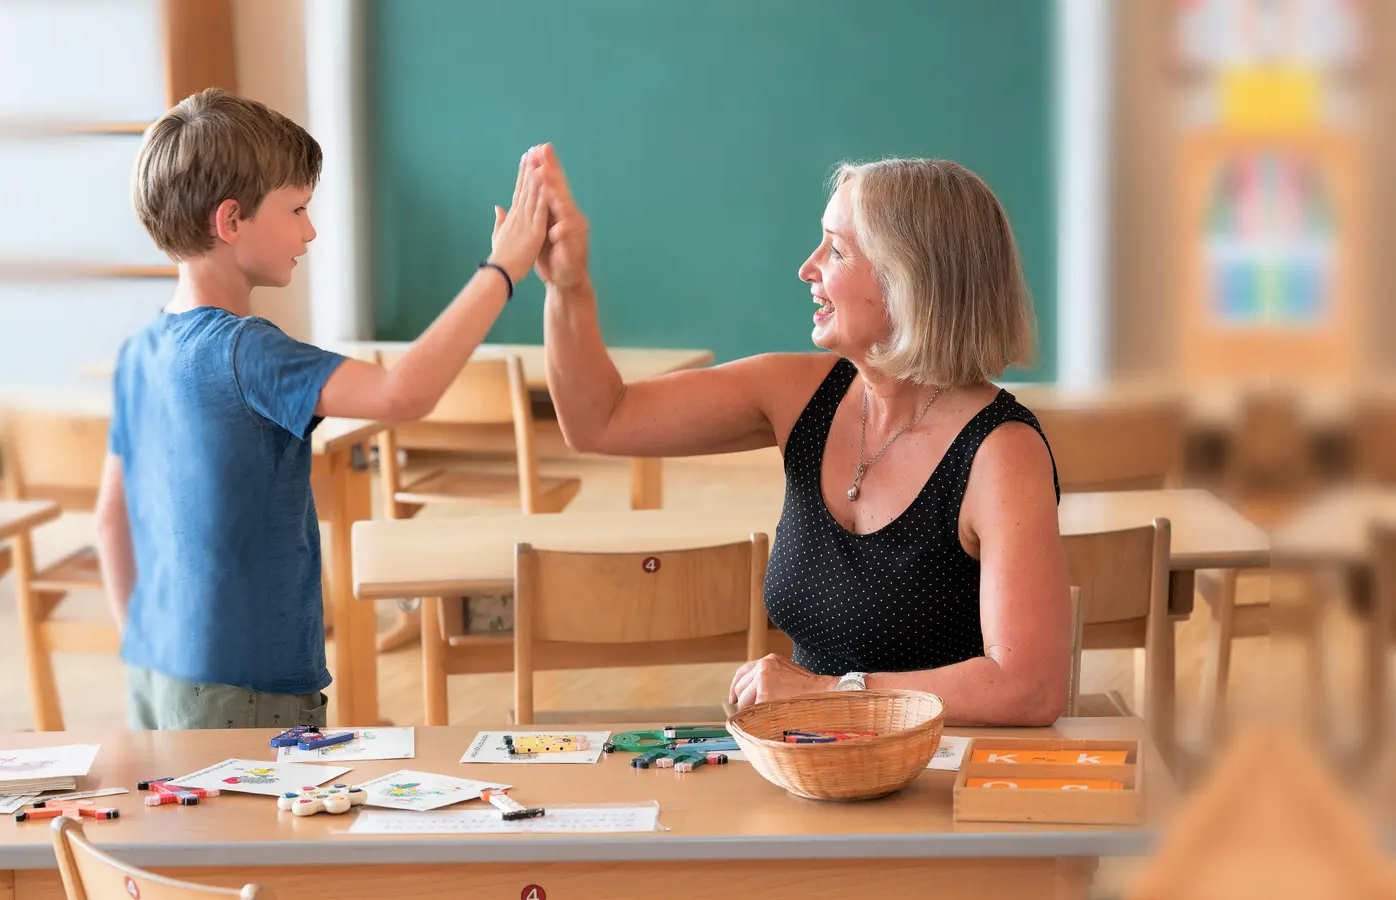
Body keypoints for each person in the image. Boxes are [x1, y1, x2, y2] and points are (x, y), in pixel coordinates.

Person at [534, 146, 1072, 726]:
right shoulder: (797, 393)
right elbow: (600, 419)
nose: (807, 267)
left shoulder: (1001, 452)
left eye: (837, 250)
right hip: (814, 770)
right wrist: (568, 287)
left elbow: (1029, 689)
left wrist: (832, 696)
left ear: (908, 279)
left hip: (940, 780)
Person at [95, 88, 550, 730]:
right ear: (231, 222)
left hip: (163, 678)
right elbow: (403, 394)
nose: (310, 230)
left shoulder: (141, 351)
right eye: (298, 208)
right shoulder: (249, 353)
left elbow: (111, 523)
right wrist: (501, 270)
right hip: (248, 693)